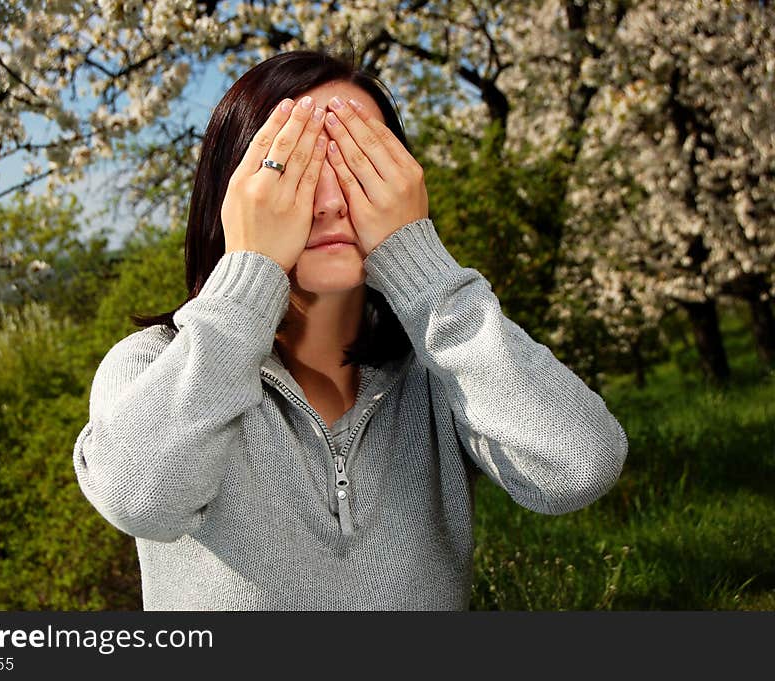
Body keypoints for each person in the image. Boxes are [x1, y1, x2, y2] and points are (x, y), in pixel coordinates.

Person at [72, 49, 629, 611]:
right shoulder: (151, 365)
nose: (331, 202)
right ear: (232, 195)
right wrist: (247, 277)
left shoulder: (445, 367)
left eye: (360, 166)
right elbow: (140, 498)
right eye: (293, 170)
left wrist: (420, 263)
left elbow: (580, 467)